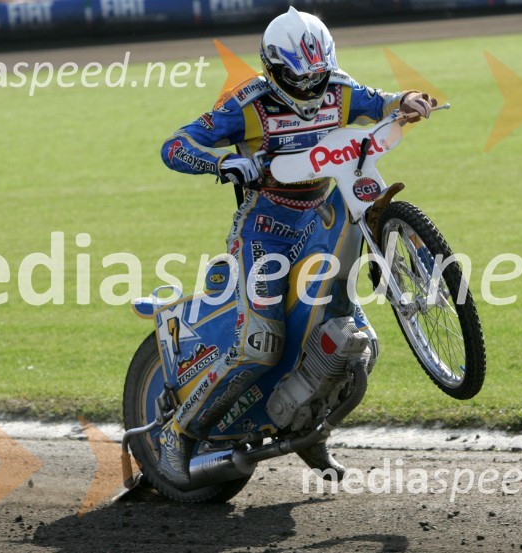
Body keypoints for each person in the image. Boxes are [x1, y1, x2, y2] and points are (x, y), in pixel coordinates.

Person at [158, 6, 436, 488]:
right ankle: (177, 435)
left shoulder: (340, 88)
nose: (310, 89)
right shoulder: (247, 102)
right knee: (259, 347)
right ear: (272, 67)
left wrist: (409, 99)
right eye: (296, 77)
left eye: (319, 75)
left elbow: (383, 101)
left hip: (319, 220)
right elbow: (176, 146)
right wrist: (222, 164)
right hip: (263, 233)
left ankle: (309, 434)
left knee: (355, 345)